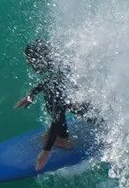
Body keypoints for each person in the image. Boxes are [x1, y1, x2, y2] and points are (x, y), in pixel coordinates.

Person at [14, 41, 86, 172]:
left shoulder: (57, 80)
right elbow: (47, 82)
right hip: (95, 111)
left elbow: (57, 116)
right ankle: (61, 137)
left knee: (54, 98)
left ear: (40, 59)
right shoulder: (59, 65)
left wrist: (46, 151)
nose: (29, 63)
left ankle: (63, 140)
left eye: (30, 60)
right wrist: (32, 94)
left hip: (96, 117)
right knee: (54, 96)